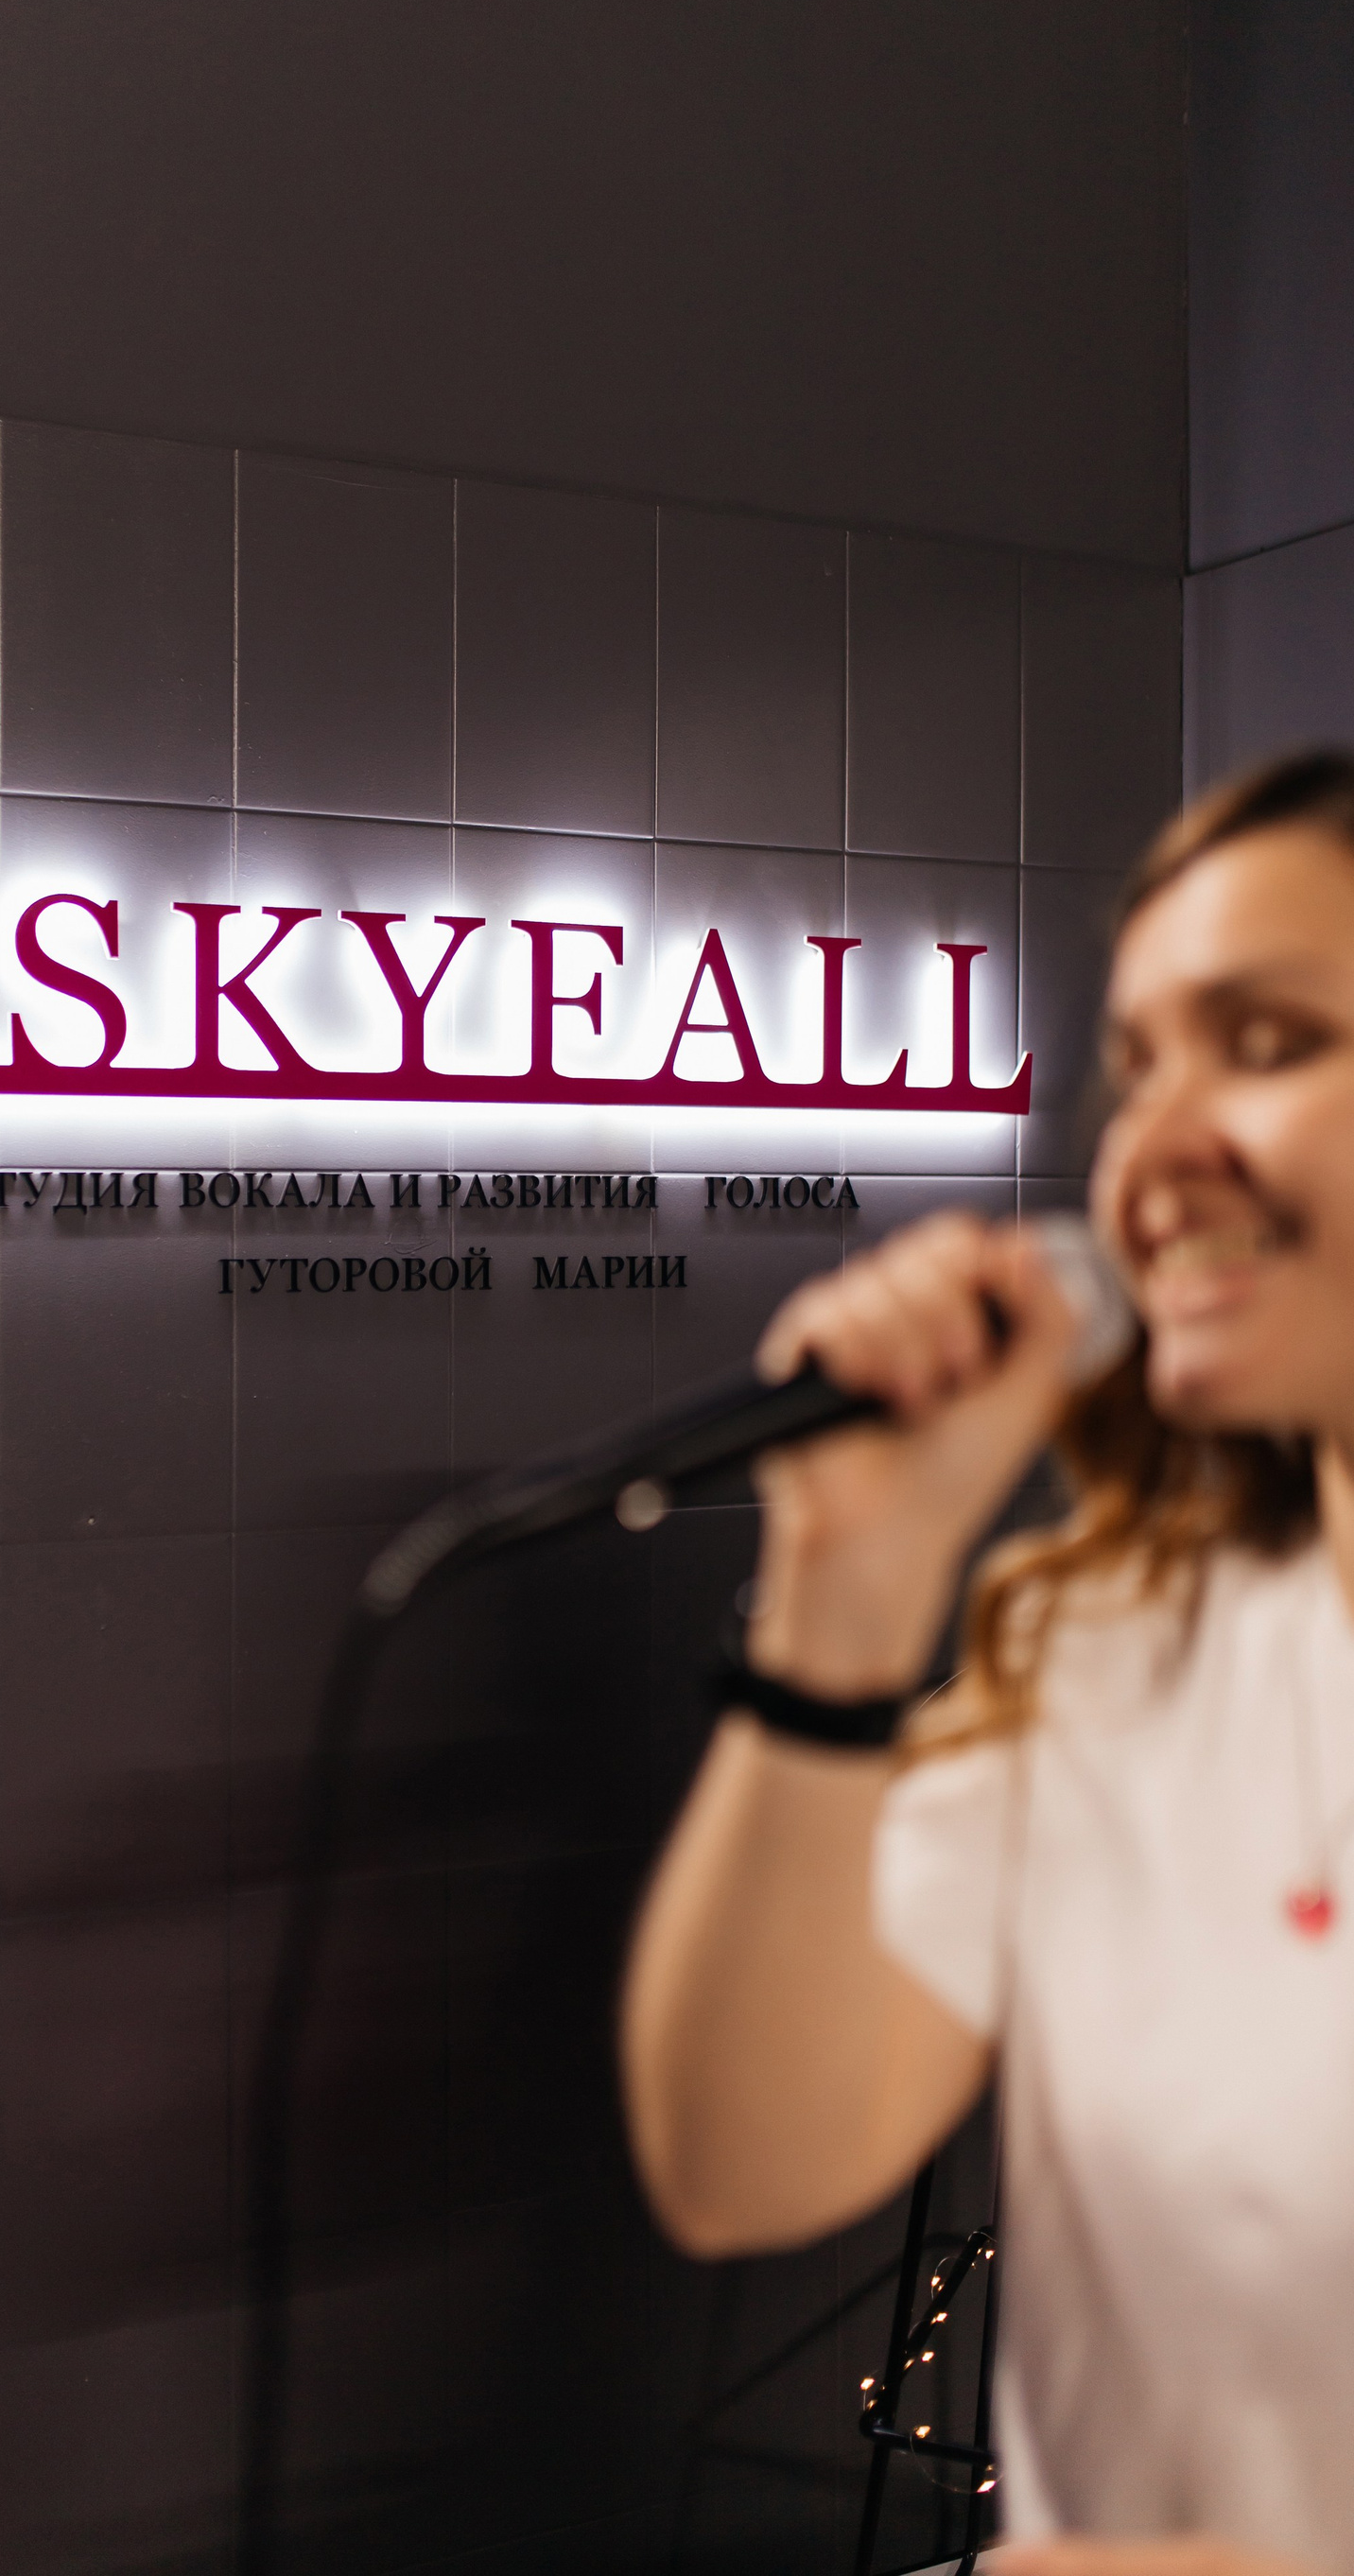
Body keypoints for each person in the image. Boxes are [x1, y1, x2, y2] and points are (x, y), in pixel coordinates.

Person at [620, 751, 1354, 2576]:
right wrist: (844, 1598)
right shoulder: (1104, 1647)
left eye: (1266, 1044)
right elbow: (742, 2162)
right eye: (1138, 1066)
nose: (1155, 1151)